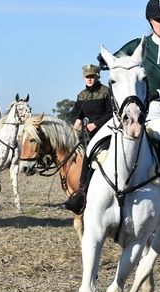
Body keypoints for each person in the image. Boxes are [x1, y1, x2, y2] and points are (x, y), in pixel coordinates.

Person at [93, 0, 160, 231]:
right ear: (150, 21)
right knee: (94, 146)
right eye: (159, 19)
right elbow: (116, 59)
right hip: (132, 111)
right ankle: (82, 195)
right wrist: (105, 62)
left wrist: (156, 92)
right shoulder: (137, 45)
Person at [60, 64, 113, 214]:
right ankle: (78, 193)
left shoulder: (106, 92)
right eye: (87, 76)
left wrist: (95, 124)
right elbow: (76, 112)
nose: (90, 79)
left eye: (92, 76)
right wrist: (75, 121)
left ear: (97, 77)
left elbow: (111, 113)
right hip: (86, 134)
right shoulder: (81, 95)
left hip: (105, 132)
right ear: (84, 78)